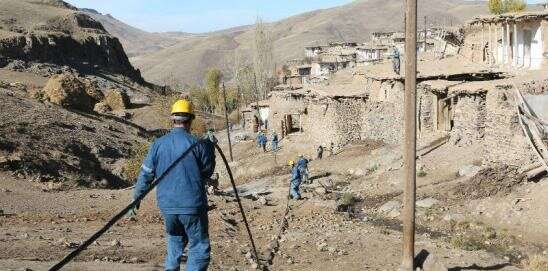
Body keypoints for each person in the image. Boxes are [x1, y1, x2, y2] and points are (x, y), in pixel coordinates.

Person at [129, 99, 216, 271]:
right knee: (198, 247)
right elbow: (207, 172)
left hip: (167, 207)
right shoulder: (198, 144)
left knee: (175, 242)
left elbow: (146, 174)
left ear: (172, 119)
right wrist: (210, 147)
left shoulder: (158, 145)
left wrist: (136, 199)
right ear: (191, 120)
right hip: (193, 206)